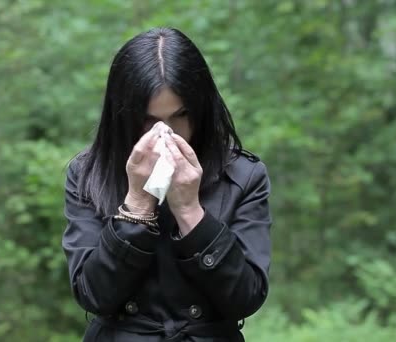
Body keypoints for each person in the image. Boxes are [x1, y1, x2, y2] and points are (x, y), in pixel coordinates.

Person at [62, 27, 272, 342]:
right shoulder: (89, 172)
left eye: (181, 115)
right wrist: (136, 205)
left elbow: (246, 297)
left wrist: (190, 212)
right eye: (148, 120)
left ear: (201, 109)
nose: (166, 134)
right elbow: (92, 295)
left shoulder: (242, 175)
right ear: (123, 116)